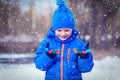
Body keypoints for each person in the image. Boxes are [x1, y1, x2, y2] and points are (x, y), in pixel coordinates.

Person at [34, 0, 94, 80]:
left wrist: (84, 58)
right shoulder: (47, 43)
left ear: (72, 29)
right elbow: (40, 66)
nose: (63, 34)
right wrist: (47, 56)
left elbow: (86, 69)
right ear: (54, 29)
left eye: (66, 30)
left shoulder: (80, 45)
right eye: (59, 30)